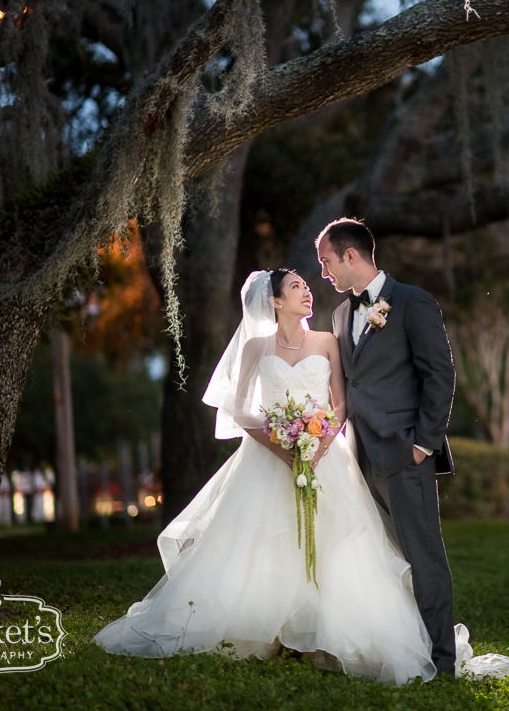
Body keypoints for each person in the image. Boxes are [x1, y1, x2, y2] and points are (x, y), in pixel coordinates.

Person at [93, 269, 438, 685]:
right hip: (267, 457)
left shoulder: (327, 341)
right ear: (275, 302)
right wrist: (282, 448)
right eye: (297, 288)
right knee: (267, 542)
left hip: (324, 456)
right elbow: (237, 410)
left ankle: (321, 633)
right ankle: (271, 631)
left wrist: (318, 446)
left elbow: (341, 405)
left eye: (308, 287)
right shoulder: (256, 347)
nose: (308, 292)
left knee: (333, 543)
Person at [315, 217, 459, 675]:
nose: (324, 273)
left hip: (403, 454)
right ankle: (402, 650)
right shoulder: (339, 315)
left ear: (350, 256)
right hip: (356, 460)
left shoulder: (413, 302)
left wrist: (423, 444)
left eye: (326, 262)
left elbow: (440, 376)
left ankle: (442, 661)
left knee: (423, 557)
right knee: (379, 560)